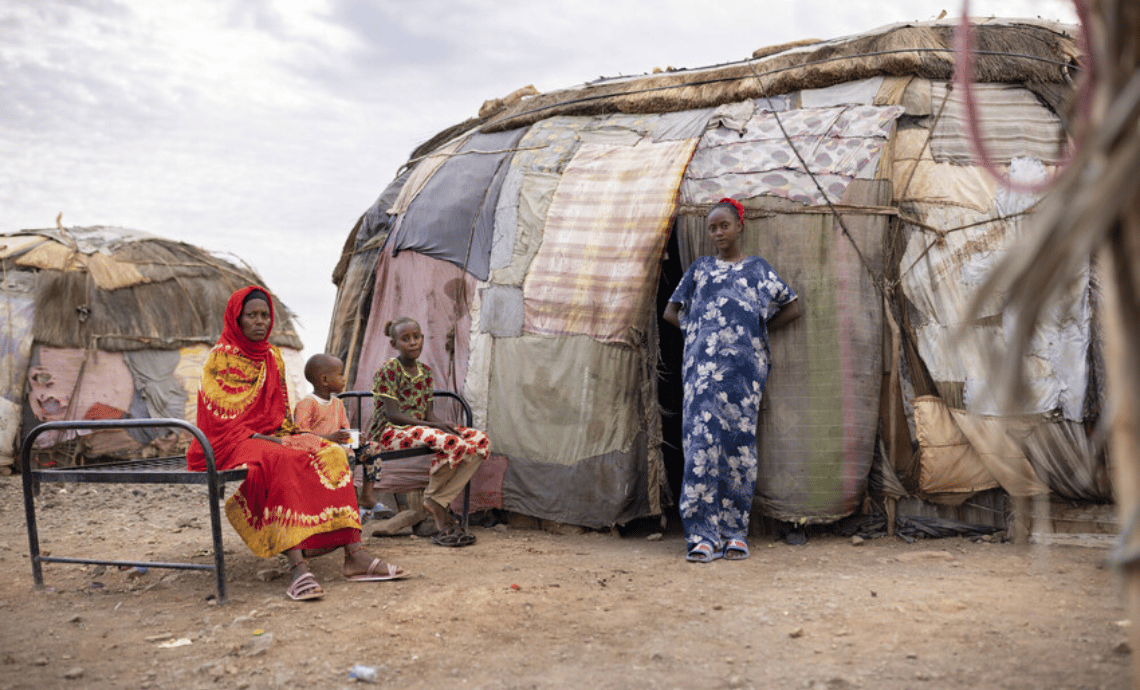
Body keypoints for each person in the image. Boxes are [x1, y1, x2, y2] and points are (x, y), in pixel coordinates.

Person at [187, 286, 407, 601]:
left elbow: (278, 414)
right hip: (231, 440)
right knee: (282, 458)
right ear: (237, 318)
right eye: (252, 315)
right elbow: (217, 419)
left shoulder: (272, 356)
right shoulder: (220, 358)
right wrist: (269, 439)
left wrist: (291, 436)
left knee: (330, 452)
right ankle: (297, 566)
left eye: (265, 315)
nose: (260, 321)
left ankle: (354, 553)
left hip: (269, 434)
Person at [663, 198, 802, 562]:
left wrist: (756, 331)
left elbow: (793, 305)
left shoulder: (758, 270)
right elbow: (670, 311)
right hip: (701, 373)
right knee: (701, 446)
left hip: (744, 374)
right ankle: (701, 535)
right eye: (712, 228)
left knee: (739, 447)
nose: (718, 233)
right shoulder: (700, 269)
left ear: (740, 225)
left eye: (724, 225)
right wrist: (698, 334)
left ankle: (734, 532)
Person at [369, 316, 489, 547]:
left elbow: (428, 414)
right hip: (391, 431)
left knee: (479, 441)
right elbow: (393, 415)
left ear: (423, 338)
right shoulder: (388, 371)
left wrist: (443, 424)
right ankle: (433, 501)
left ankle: (437, 499)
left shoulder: (425, 372)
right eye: (405, 339)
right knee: (450, 443)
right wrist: (433, 427)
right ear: (394, 344)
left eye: (416, 337)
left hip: (420, 429)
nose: (413, 342)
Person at [294, 353, 394, 522]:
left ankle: (367, 497)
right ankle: (348, 502)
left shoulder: (338, 403)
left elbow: (345, 431)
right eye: (339, 374)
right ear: (324, 380)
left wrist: (356, 438)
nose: (343, 378)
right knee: (347, 453)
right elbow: (300, 435)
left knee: (373, 448)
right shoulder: (307, 403)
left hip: (339, 447)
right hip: (317, 451)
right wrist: (330, 438)